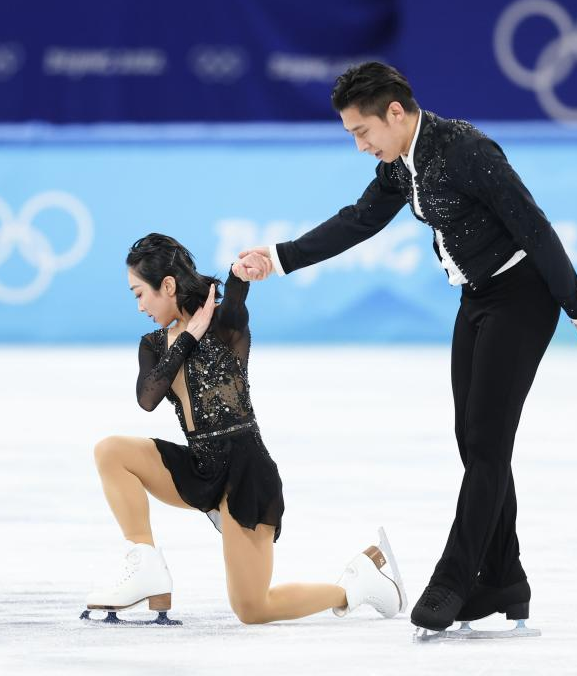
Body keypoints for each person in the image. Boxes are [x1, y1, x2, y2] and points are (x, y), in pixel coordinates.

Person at [237, 62, 577, 636]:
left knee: (486, 443)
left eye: (362, 132)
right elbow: (358, 221)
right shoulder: (400, 164)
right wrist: (279, 258)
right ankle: (505, 579)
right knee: (476, 443)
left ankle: (454, 580)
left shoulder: (464, 149)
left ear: (395, 113)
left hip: (524, 296)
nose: (359, 145)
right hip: (477, 298)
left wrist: (575, 305)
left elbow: (532, 225)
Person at [84, 232, 406, 625]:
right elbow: (147, 398)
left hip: (244, 473)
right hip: (199, 468)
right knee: (111, 451)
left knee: (252, 609)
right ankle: (144, 562)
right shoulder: (154, 343)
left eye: (139, 294)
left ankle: (356, 586)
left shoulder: (225, 324)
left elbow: (234, 300)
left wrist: (240, 277)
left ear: (167, 286)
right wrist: (187, 337)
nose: (139, 306)